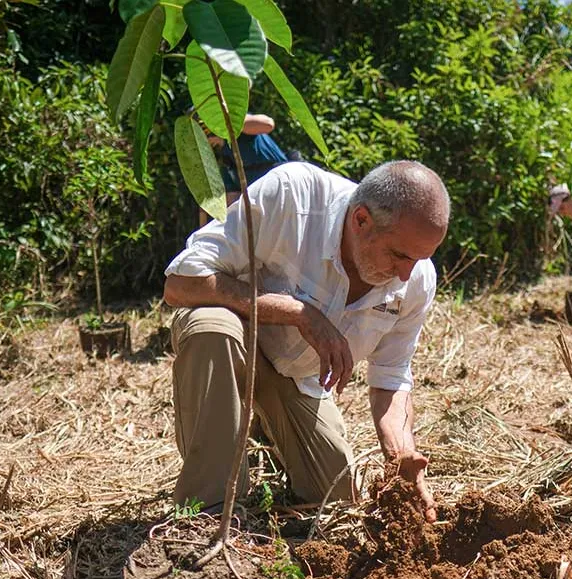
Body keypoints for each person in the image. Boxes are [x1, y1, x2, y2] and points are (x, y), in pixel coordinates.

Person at [164, 160, 450, 522]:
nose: (406, 272)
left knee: (335, 498)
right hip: (238, 341)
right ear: (360, 220)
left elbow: (391, 377)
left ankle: (262, 429)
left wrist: (400, 455)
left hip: (298, 378)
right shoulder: (292, 197)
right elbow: (182, 281)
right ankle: (207, 512)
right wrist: (295, 311)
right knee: (211, 328)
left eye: (420, 258)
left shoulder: (417, 278)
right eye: (398, 255)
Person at [201, 114, 288, 227]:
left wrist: (229, 122)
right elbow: (233, 200)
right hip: (262, 206)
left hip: (282, 186)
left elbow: (268, 124)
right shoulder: (225, 158)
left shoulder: (241, 129)